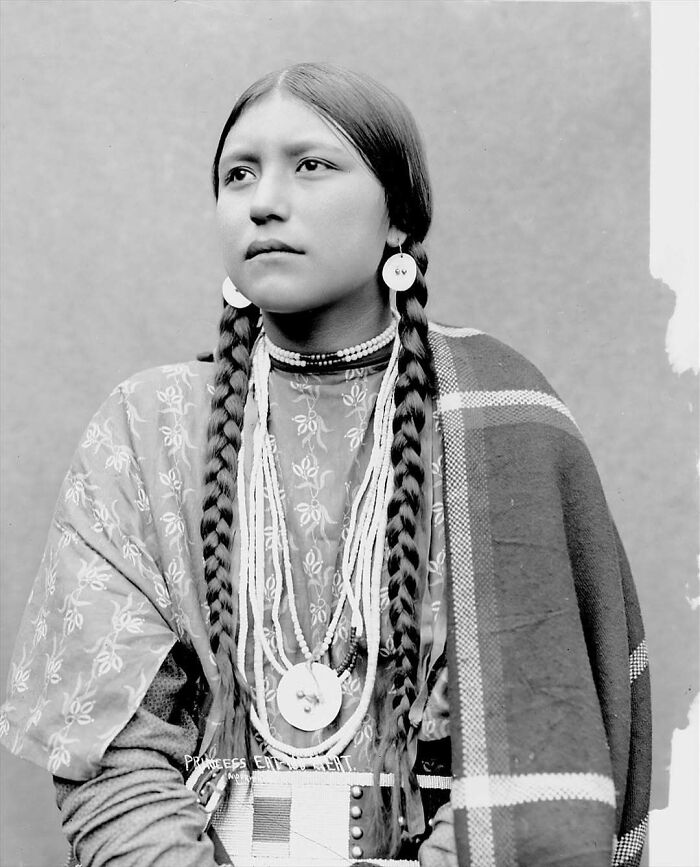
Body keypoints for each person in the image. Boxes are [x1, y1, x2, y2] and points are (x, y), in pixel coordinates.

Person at [0, 63, 650, 867]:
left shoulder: (501, 420)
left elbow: (533, 741)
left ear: (398, 219)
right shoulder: (150, 425)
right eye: (239, 173)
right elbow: (112, 758)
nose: (264, 199)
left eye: (312, 165)